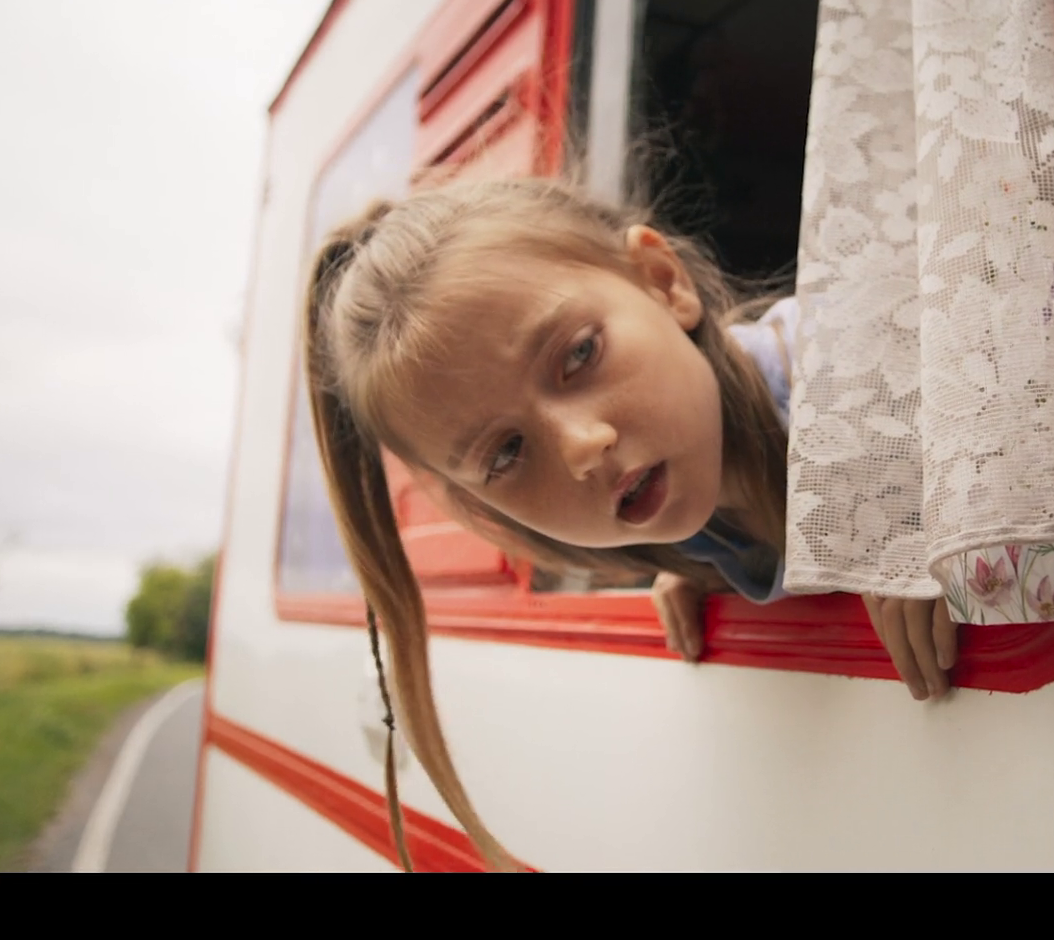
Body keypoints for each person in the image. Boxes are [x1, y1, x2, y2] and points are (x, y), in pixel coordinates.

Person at [304, 178, 957, 871]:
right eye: (507, 454)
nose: (582, 447)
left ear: (662, 280)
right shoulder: (699, 534)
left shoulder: (892, 370)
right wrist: (713, 565)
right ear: (483, 507)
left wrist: (939, 503)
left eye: (579, 355)